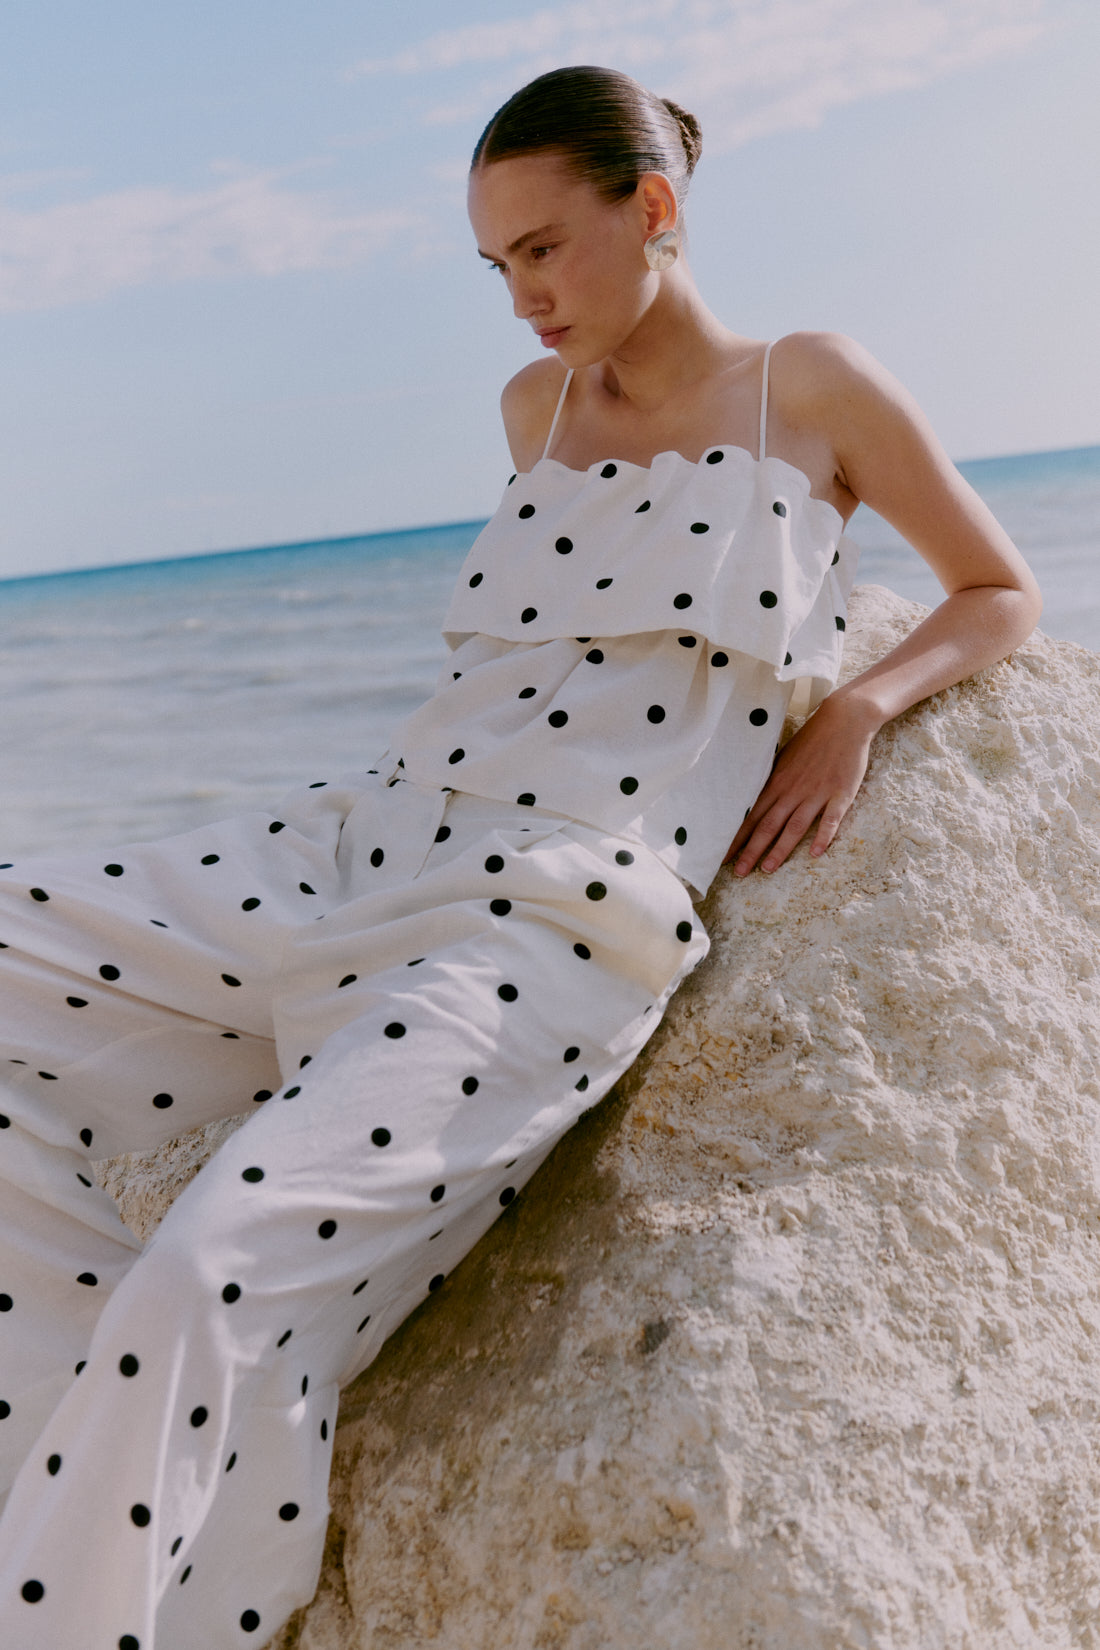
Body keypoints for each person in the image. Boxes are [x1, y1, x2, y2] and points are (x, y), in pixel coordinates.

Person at [0, 64, 1040, 1650]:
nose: (521, 299)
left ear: (659, 210)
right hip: (366, 838)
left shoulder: (808, 384)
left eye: (545, 249)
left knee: (212, 1266)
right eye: (496, 265)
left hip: (549, 921)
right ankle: (77, 1444)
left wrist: (857, 712)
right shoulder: (534, 415)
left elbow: (996, 588)